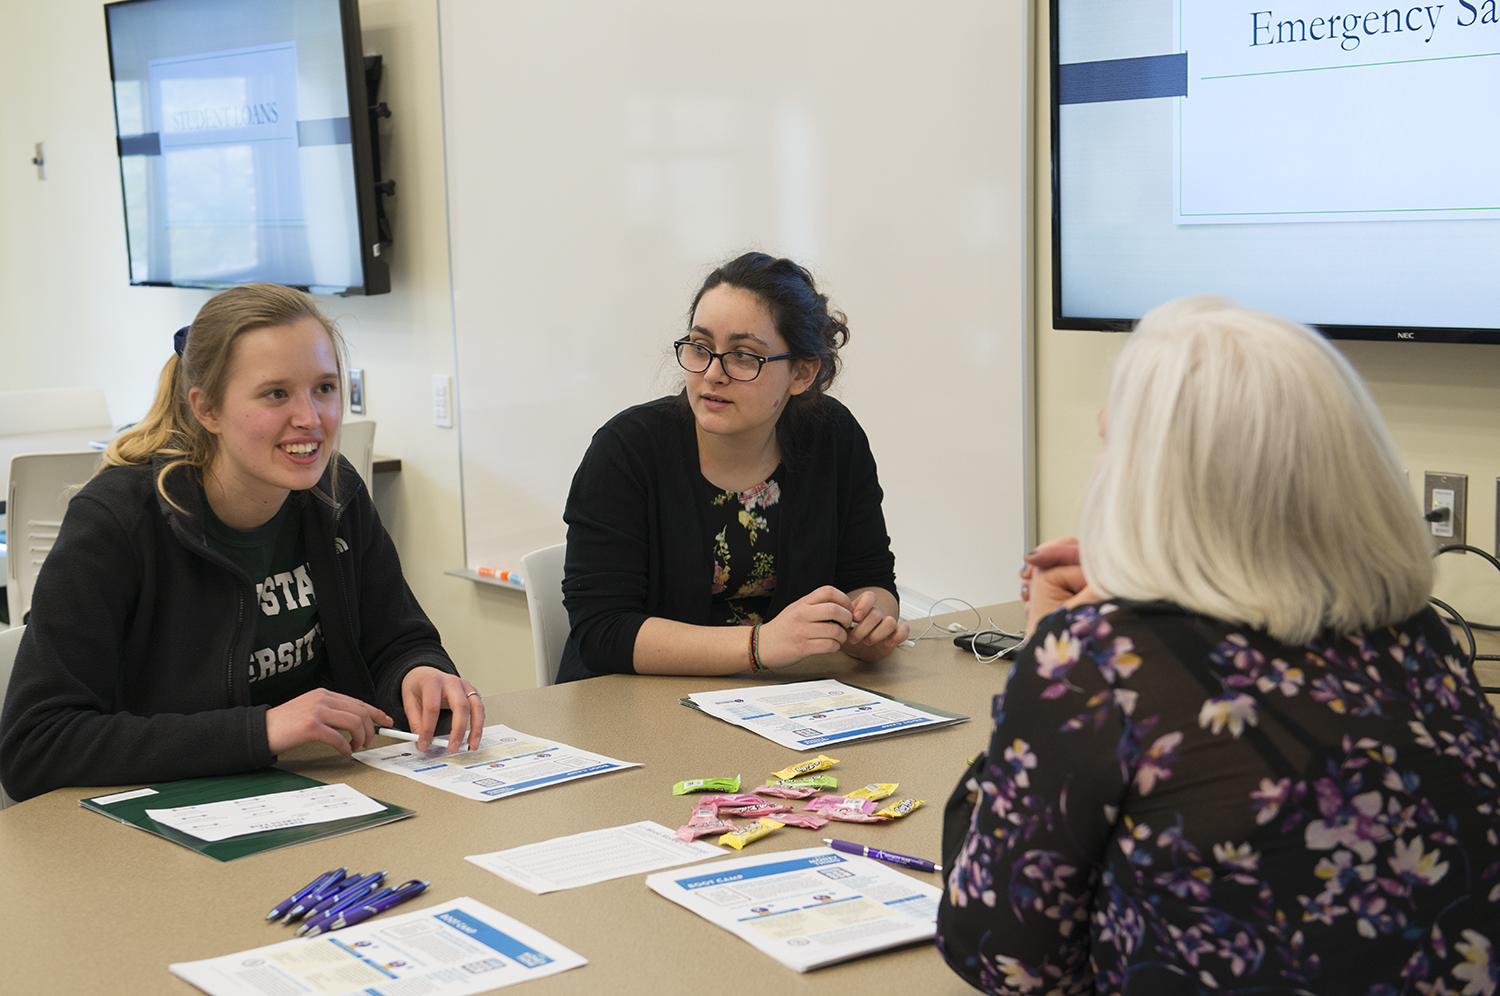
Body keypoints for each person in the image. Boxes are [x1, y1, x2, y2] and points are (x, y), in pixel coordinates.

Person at [937, 297, 1500, 994]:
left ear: (1159, 483)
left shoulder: (1103, 661)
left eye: (1110, 441)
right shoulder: (1423, 637)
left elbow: (1005, 958)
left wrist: (1048, 648)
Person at [0, 284, 484, 803]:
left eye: (324, 388)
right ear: (206, 410)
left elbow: (396, 640)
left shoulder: (335, 494)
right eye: (276, 393)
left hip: (316, 792)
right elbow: (35, 745)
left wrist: (419, 671)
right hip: (164, 820)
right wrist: (261, 730)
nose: (311, 418)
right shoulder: (117, 521)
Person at [556, 252, 909, 682]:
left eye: (743, 356)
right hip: (634, 704)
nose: (713, 373)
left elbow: (869, 577)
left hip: (779, 700)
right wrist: (761, 645)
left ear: (802, 373)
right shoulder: (627, 449)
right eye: (701, 347)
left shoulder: (833, 438)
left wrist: (868, 622)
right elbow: (602, 631)